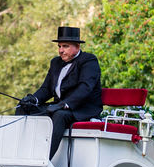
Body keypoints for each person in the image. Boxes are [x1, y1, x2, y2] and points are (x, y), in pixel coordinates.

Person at [17, 26, 103, 158]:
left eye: (65, 46)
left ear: (77, 47)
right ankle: (20, 152)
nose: (61, 50)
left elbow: (85, 88)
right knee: (23, 108)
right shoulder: (56, 62)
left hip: (80, 109)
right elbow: (46, 89)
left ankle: (44, 158)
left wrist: (63, 104)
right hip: (58, 107)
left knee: (60, 115)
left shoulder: (89, 61)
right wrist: (33, 99)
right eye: (59, 46)